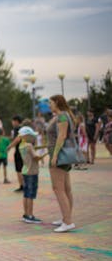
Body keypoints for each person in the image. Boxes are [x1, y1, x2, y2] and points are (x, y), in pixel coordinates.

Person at [47, 95, 76, 232]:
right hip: (62, 156)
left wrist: (55, 155)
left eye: (50, 102)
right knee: (66, 188)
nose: (49, 105)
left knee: (58, 188)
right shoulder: (62, 115)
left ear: (57, 102)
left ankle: (68, 221)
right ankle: (66, 217)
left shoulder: (62, 117)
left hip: (59, 156)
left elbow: (62, 136)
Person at [18, 126, 45, 224]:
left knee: (26, 194)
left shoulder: (21, 145)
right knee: (31, 195)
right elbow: (35, 157)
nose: (34, 138)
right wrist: (44, 155)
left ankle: (26, 214)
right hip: (32, 172)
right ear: (27, 136)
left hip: (25, 171)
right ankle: (30, 215)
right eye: (32, 136)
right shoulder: (29, 145)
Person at [6, 115, 24, 192]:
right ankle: (25, 184)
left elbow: (17, 139)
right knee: (23, 168)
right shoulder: (23, 128)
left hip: (18, 151)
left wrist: (9, 146)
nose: (12, 123)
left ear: (16, 121)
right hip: (23, 150)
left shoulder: (17, 128)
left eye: (13, 121)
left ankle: (22, 186)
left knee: (19, 169)